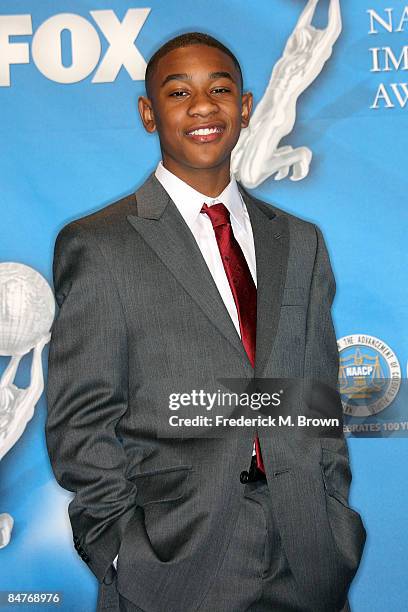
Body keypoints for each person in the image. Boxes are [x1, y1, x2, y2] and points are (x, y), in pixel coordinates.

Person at [45, 32, 366, 612]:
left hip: (310, 560)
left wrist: (334, 518)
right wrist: (121, 548)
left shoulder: (299, 241)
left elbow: (317, 399)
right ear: (149, 114)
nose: (201, 106)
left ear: (245, 109)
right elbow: (79, 423)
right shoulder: (99, 244)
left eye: (220, 89)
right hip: (172, 567)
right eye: (177, 92)